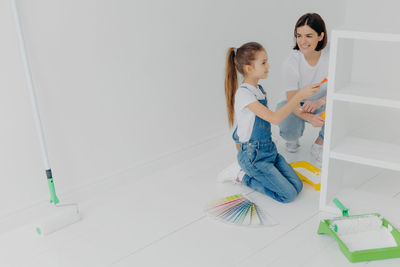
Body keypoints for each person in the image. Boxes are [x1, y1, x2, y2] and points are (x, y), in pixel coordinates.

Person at [222, 42, 319, 203]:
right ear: (249, 68)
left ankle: (257, 173)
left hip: (269, 151)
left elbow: (245, 125)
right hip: (254, 157)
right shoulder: (244, 95)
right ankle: (241, 176)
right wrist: (300, 95)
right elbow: (275, 118)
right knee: (287, 195)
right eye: (263, 62)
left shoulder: (258, 90)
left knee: (297, 186)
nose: (268, 66)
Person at [277, 13, 329, 166]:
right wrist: (310, 118)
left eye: (308, 36)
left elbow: (338, 88)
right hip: (294, 102)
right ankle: (292, 138)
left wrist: (320, 101)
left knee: (340, 107)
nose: (302, 41)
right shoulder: (291, 63)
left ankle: (320, 143)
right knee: (289, 131)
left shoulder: (331, 55)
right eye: (299, 36)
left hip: (321, 101)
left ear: (320, 36)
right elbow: (292, 101)